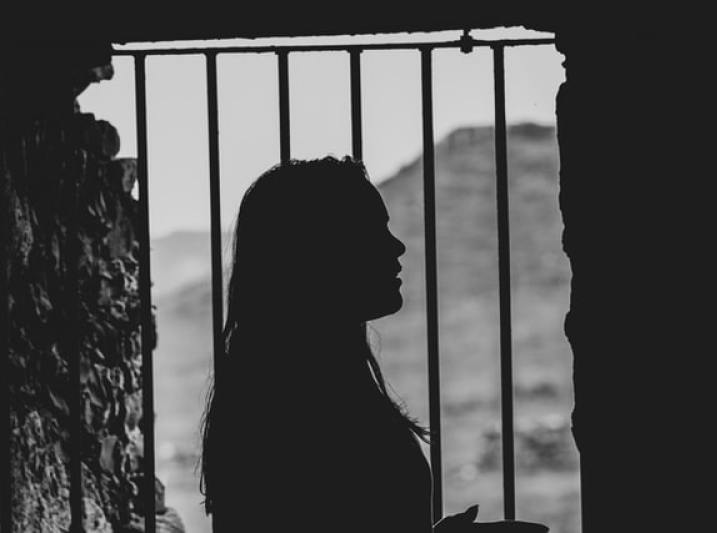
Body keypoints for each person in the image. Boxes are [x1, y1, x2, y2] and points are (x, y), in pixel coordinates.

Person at [199, 156, 547, 532]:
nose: (397, 247)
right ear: (319, 252)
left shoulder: (298, 388)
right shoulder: (295, 405)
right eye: (371, 231)